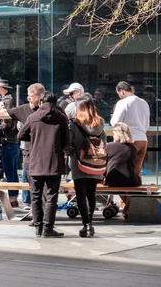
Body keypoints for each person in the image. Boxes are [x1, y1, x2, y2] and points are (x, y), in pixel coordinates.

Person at [0, 83, 46, 209]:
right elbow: (5, 114)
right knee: (28, 179)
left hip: (43, 153)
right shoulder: (24, 109)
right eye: (28, 96)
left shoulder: (48, 111)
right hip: (29, 152)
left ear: (40, 96)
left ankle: (42, 213)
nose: (29, 98)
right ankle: (34, 212)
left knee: (40, 185)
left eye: (32, 96)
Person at [18, 91, 69, 238]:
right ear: (55, 103)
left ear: (41, 102)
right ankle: (48, 229)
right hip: (54, 162)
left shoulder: (33, 117)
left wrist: (34, 137)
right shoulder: (61, 118)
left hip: (35, 162)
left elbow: (20, 135)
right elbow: (66, 142)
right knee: (51, 197)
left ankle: (38, 227)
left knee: (35, 196)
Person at [64, 98, 106, 238]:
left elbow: (67, 145)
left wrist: (71, 155)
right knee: (91, 194)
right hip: (96, 163)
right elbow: (104, 143)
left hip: (79, 164)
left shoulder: (74, 125)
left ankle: (86, 225)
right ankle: (90, 224)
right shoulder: (100, 124)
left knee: (81, 196)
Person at [110, 81, 149, 188]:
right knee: (136, 171)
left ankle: (124, 204)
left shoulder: (123, 103)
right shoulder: (144, 102)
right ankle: (136, 202)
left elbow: (115, 122)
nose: (119, 96)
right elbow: (147, 124)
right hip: (143, 140)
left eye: (118, 94)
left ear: (121, 92)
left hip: (129, 140)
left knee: (124, 173)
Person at [0, 79, 20, 207]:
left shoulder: (8, 100)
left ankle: (12, 198)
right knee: (12, 171)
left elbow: (7, 120)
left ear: (2, 88)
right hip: (10, 141)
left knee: (10, 171)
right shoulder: (4, 99)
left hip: (8, 140)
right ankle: (13, 198)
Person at [105, 123, 140, 188]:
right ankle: (126, 198)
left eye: (114, 134)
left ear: (118, 134)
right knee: (137, 177)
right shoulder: (133, 148)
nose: (113, 136)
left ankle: (116, 198)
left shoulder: (109, 146)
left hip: (112, 180)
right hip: (130, 180)